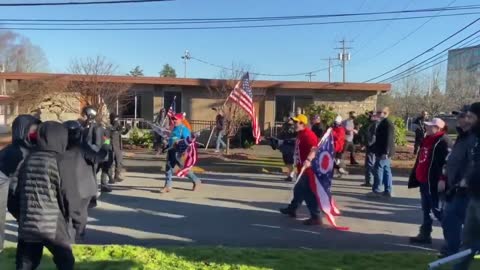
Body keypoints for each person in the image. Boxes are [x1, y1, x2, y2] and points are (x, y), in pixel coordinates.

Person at [14, 122, 77, 270]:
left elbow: (14, 192)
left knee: (25, 264)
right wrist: (71, 218)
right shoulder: (59, 161)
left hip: (28, 224)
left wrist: (20, 215)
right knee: (65, 262)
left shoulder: (27, 160)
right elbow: (66, 194)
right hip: (52, 225)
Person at [59, 120, 110, 241]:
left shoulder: (58, 148)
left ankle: (70, 237)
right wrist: (106, 142)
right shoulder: (82, 148)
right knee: (80, 215)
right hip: (84, 188)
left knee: (66, 214)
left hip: (65, 186)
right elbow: (100, 157)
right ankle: (78, 236)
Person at [0, 115, 40, 254]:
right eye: (33, 131)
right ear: (22, 131)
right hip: (16, 198)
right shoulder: (10, 153)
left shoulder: (36, 149)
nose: (35, 134)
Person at [408, 118, 452, 244]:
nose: (427, 127)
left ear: (438, 128)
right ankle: (425, 234)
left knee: (438, 211)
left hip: (434, 182)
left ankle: (452, 239)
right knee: (426, 209)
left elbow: (448, 163)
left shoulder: (444, 141)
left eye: (430, 126)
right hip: (423, 180)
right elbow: (421, 159)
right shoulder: (427, 140)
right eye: (427, 125)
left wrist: (443, 179)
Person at [439, 106, 475, 257]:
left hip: (466, 189)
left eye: (462, 115)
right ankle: (455, 250)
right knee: (450, 218)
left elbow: (473, 162)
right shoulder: (462, 136)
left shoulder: (474, 138)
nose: (458, 118)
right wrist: (444, 177)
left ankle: (454, 251)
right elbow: (452, 158)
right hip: (454, 186)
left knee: (452, 218)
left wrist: (465, 181)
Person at [279, 114, 321, 225]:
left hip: (308, 169)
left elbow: (315, 149)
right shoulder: (300, 134)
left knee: (308, 193)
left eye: (297, 122)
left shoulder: (309, 135)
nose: (294, 124)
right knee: (298, 190)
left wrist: (309, 159)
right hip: (301, 168)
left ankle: (316, 216)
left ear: (303, 124)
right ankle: (292, 209)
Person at [453, 102, 480, 270]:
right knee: (468, 240)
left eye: (471, 117)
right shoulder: (475, 137)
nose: (467, 120)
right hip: (474, 196)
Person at [162, 113, 201, 193]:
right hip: (171, 151)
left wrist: (180, 145)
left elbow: (187, 142)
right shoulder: (173, 128)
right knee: (168, 169)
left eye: (176, 119)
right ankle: (167, 186)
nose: (174, 120)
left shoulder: (184, 129)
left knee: (184, 169)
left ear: (181, 120)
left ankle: (196, 181)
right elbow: (171, 139)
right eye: (173, 119)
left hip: (179, 153)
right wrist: (166, 145)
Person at [367, 107, 395, 198]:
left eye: (379, 112)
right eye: (377, 112)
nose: (377, 114)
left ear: (385, 113)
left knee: (378, 169)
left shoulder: (387, 124)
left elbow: (389, 139)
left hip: (384, 151)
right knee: (386, 170)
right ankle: (387, 190)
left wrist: (385, 152)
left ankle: (377, 190)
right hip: (382, 150)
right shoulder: (383, 123)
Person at [106, 113, 130, 183]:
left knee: (119, 163)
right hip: (111, 148)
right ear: (111, 119)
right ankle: (110, 178)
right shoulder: (109, 127)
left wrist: (127, 129)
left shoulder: (118, 127)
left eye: (117, 119)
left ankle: (116, 176)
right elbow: (111, 135)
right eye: (115, 119)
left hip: (118, 148)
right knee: (110, 164)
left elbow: (123, 132)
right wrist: (106, 146)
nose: (117, 121)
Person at [362, 111, 379, 187]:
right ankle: (368, 181)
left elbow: (373, 137)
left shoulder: (375, 124)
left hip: (372, 147)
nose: (369, 117)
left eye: (370, 115)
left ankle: (370, 181)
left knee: (370, 164)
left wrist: (367, 144)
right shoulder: (373, 124)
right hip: (372, 147)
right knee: (369, 164)